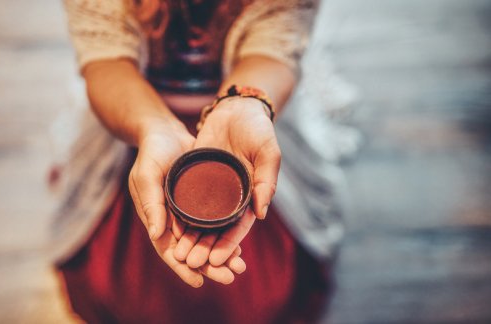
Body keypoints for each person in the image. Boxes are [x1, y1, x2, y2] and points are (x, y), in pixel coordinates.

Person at [49, 0, 347, 322]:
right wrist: (151, 126)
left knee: (268, 295)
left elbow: (274, 50)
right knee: (117, 287)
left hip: (243, 125)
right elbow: (106, 64)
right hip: (133, 115)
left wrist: (247, 103)